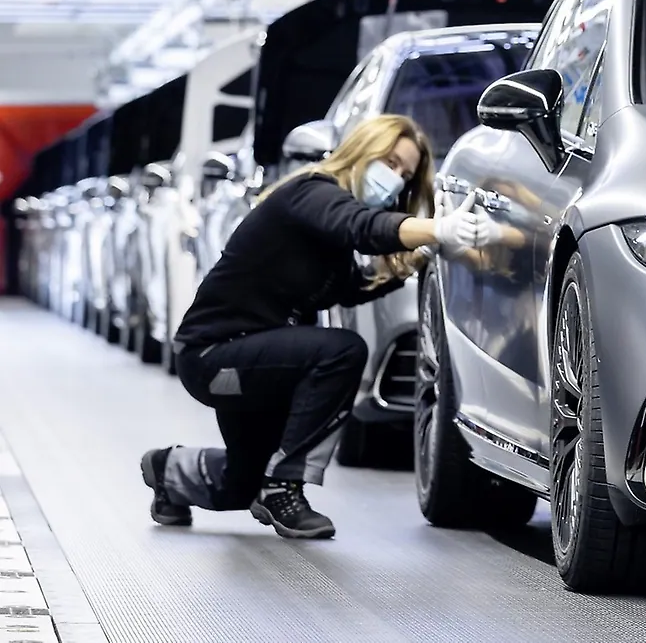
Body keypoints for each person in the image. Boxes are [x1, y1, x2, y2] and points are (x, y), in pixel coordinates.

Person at [139, 114, 498, 539]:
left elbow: (347, 288)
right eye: (390, 162)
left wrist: (416, 261)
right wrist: (438, 229)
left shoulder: (328, 233)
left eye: (405, 174)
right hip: (214, 358)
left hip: (256, 361)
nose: (396, 180)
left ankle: (166, 471)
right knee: (342, 350)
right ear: (361, 152)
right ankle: (283, 486)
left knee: (241, 483)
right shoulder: (311, 191)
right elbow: (362, 228)